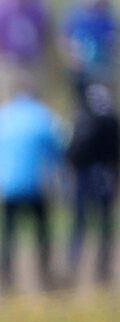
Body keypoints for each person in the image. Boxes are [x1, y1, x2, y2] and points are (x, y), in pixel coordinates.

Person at [0, 79, 64, 293]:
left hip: (7, 185)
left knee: (7, 234)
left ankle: (5, 279)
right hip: (34, 184)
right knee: (42, 232)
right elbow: (57, 150)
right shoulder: (43, 116)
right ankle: (45, 275)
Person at [65, 83, 120, 286]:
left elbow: (70, 151)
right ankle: (103, 267)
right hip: (104, 175)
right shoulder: (112, 121)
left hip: (84, 177)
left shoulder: (80, 118)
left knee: (79, 222)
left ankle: (73, 263)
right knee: (104, 224)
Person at [61, 0, 116, 103]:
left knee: (102, 104)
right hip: (80, 73)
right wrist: (71, 58)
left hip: (101, 72)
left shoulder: (107, 18)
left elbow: (112, 43)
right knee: (80, 102)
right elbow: (66, 38)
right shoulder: (75, 14)